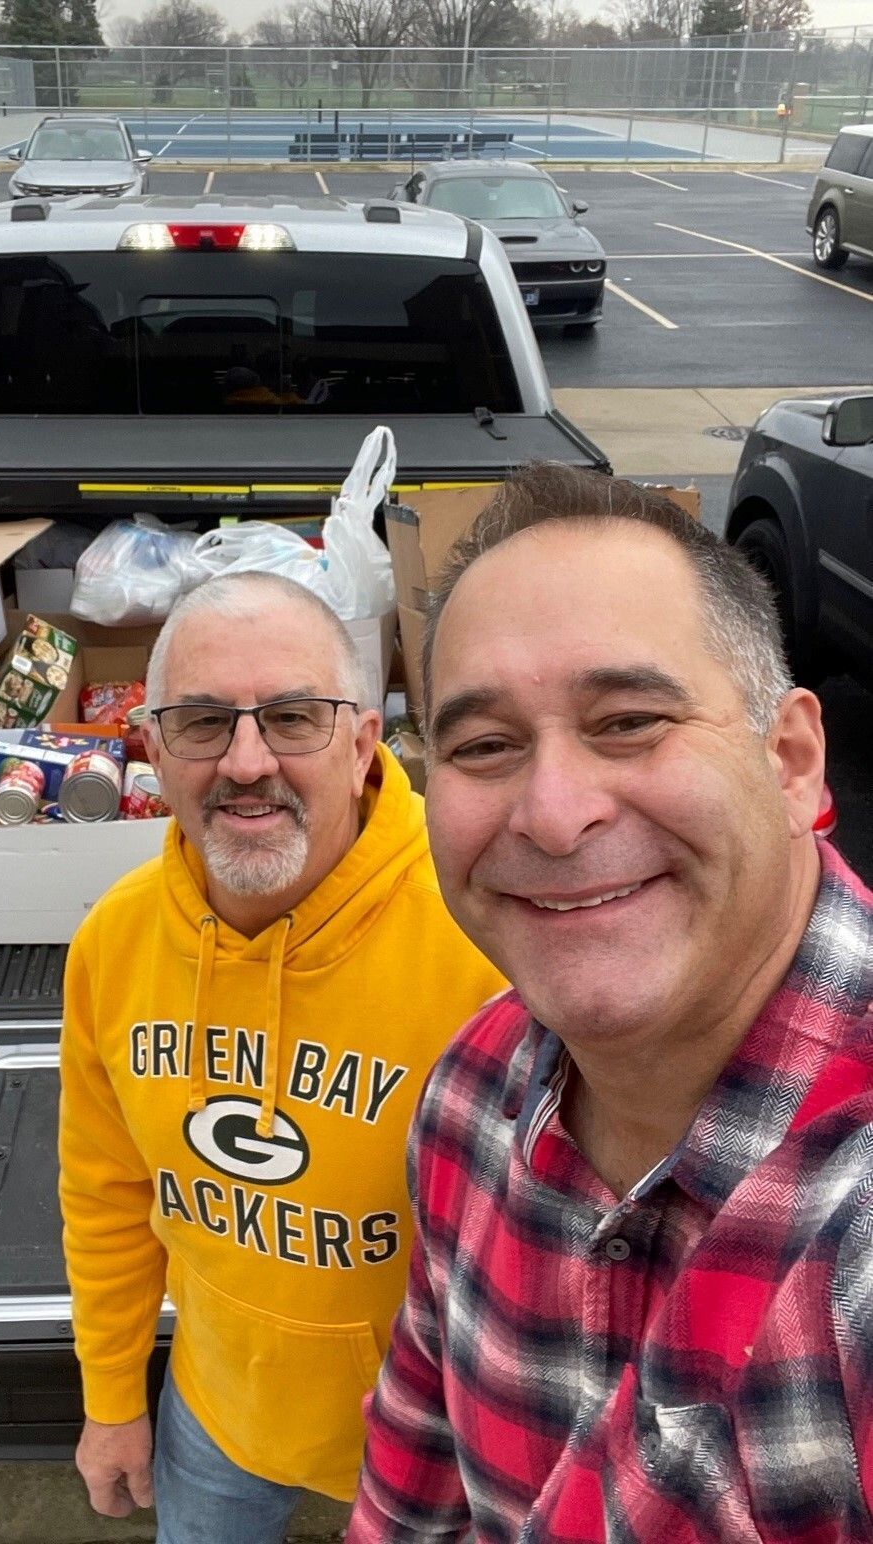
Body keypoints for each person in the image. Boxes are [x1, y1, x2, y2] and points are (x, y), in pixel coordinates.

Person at [349, 464, 873, 1543]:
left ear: (792, 760)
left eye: (629, 719)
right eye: (485, 744)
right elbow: (412, 1482)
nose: (552, 813)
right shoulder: (469, 1095)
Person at [59, 571, 507, 1543]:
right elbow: (104, 1191)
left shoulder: (490, 937)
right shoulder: (114, 943)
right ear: (150, 749)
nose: (247, 760)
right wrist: (110, 1397)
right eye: (204, 721)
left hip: (446, 1442)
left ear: (361, 743)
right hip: (220, 1413)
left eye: (293, 717)